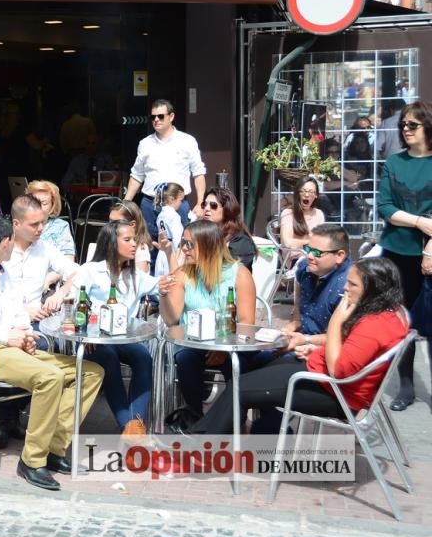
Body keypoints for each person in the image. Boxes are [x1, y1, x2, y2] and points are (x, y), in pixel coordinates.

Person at [0, 214, 104, 491]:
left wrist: (27, 335)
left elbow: (18, 313)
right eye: (13, 243)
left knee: (90, 372)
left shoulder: (4, 275)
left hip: (10, 349)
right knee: (50, 377)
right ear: (6, 242)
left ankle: (54, 448)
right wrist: (5, 336)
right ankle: (32, 460)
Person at [188, 258, 409, 434]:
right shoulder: (390, 314)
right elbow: (352, 351)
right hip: (324, 378)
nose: (345, 287)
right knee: (248, 377)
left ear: (373, 289)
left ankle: (199, 451)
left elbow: (338, 371)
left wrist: (336, 321)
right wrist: (315, 348)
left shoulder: (373, 325)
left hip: (336, 393)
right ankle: (236, 433)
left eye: (352, 284)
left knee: (240, 388)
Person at [160, 220, 257, 419]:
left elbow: (247, 323)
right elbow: (171, 320)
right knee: (186, 359)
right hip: (192, 343)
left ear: (207, 245)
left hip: (230, 343)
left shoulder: (239, 274)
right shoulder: (183, 273)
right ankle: (195, 419)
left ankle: (232, 422)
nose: (184, 249)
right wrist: (162, 295)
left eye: (189, 244)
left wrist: (222, 347)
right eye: (182, 243)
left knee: (237, 365)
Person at [77, 220, 158, 437]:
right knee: (109, 359)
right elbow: (75, 303)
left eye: (135, 239)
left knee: (144, 358)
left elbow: (165, 285)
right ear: (113, 243)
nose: (134, 245)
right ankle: (128, 427)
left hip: (125, 338)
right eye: (128, 240)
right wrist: (88, 334)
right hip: (96, 339)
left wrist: (170, 253)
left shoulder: (135, 276)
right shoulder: (91, 271)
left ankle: (135, 425)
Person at [377, 101, 432, 411]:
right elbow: (385, 207)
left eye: (412, 125)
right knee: (401, 320)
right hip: (397, 252)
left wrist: (428, 247)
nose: (406, 130)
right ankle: (406, 386)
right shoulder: (395, 163)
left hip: (429, 254)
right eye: (403, 126)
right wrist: (420, 221)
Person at [124, 99, 207, 246]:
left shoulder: (187, 141)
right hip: (150, 204)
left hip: (178, 204)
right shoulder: (145, 144)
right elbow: (137, 175)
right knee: (149, 248)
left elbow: (198, 173)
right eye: (153, 117)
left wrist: (200, 203)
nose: (156, 120)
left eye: (160, 116)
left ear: (171, 116)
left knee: (181, 248)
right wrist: (126, 203)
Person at [5, 195, 79, 325]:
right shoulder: (1, 249)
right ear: (16, 224)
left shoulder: (44, 248)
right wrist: (21, 312)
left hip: (37, 323)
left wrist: (60, 293)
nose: (41, 228)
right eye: (34, 224)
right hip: (6, 324)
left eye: (42, 222)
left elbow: (78, 272)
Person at [201, 187, 256, 271]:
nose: (206, 209)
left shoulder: (240, 240)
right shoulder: (203, 233)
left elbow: (234, 272)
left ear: (227, 209)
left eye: (213, 205)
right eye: (204, 204)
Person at [27, 180, 74, 260]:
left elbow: (68, 260)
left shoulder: (61, 227)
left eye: (44, 203)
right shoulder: (21, 225)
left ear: (52, 205)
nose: (38, 207)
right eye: (34, 202)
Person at [280, 176, 325, 252]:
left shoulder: (318, 214)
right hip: (297, 257)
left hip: (316, 257)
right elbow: (287, 243)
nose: (306, 195)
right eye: (303, 191)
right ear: (297, 193)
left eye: (311, 192)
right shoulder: (288, 213)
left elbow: (322, 241)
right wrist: (311, 242)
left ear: (316, 195)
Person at [109, 199, 153, 274]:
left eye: (116, 222)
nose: (110, 226)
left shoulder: (141, 250)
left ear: (132, 224)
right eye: (110, 221)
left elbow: (139, 281)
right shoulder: (111, 242)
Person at [153, 182, 185, 278]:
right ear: (172, 199)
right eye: (181, 200)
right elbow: (177, 238)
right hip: (171, 252)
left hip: (162, 252)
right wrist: (178, 257)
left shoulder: (161, 215)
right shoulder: (174, 216)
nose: (181, 203)